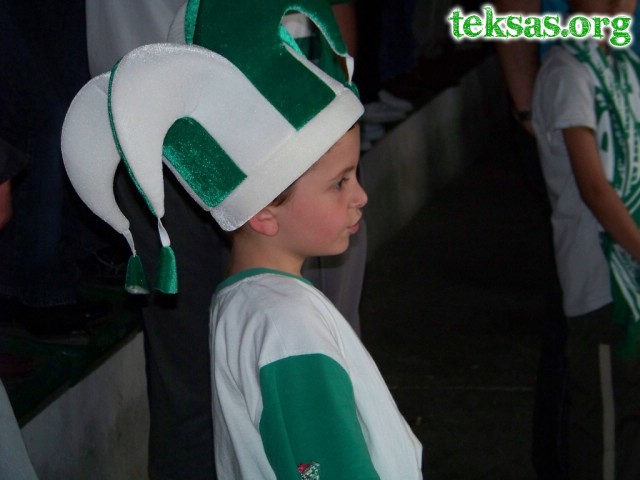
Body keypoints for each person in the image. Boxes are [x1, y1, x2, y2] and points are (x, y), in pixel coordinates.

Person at [532, 0, 640, 478]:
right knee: (606, 427)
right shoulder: (567, 71)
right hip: (602, 283)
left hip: (629, 277)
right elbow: (594, 188)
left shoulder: (624, 67)